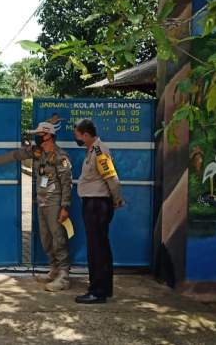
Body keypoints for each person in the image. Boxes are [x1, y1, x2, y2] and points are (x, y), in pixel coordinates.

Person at [0, 122, 73, 291]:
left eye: (39, 134)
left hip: (55, 203)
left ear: (49, 136)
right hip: (41, 202)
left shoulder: (61, 156)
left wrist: (65, 207)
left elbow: (67, 183)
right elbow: (16, 155)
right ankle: (54, 269)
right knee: (46, 239)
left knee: (58, 238)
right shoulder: (37, 152)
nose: (36, 137)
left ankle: (64, 276)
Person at [73, 118, 125, 304]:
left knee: (97, 249)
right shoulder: (92, 150)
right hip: (94, 204)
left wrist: (117, 198)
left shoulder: (99, 150)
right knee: (99, 247)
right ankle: (103, 288)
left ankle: (98, 291)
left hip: (97, 205)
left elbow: (112, 177)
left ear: (86, 135)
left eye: (78, 135)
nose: (77, 139)